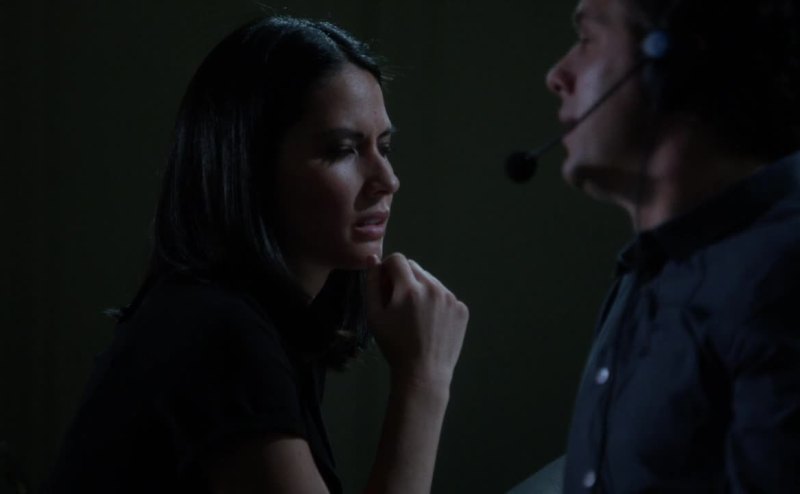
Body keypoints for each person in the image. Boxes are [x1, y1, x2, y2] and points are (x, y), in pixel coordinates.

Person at [43, 16, 468, 494]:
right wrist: (424, 379)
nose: (387, 180)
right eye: (342, 150)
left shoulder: (255, 322)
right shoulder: (218, 332)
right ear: (249, 166)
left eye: (384, 147)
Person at [523, 0, 800, 491]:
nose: (557, 76)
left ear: (670, 57)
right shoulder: (651, 267)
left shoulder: (782, 275)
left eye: (587, 38)